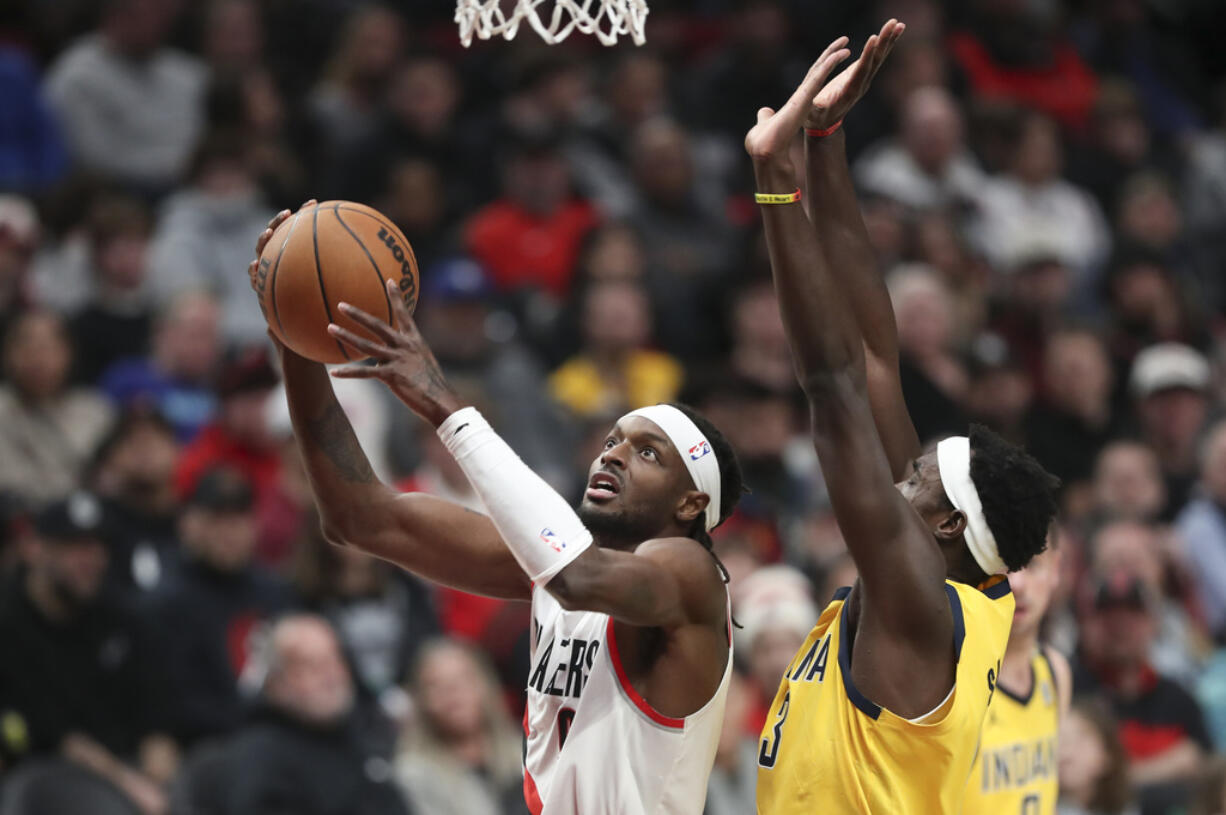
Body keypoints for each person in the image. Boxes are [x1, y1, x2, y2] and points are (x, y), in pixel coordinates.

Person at [250, 207, 743, 815]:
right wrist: (297, 332)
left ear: (691, 502)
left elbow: (578, 575)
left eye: (647, 453)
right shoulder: (554, 566)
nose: (613, 455)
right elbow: (360, 517)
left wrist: (447, 408)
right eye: (613, 439)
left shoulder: (690, 575)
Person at [745, 22, 1059, 812]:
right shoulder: (955, 590)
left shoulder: (920, 607)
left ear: (947, 523)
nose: (902, 471)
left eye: (917, 476)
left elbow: (833, 384)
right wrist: (826, 140)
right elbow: (876, 357)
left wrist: (777, 188)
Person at [0, 492, 173, 815]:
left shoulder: (118, 616)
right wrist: (129, 784)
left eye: (97, 547)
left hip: (129, 768)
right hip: (45, 779)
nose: (91, 559)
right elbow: (55, 737)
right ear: (35, 549)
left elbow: (154, 704)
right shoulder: (9, 623)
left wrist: (158, 752)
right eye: (74, 546)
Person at [209, 615, 410, 815]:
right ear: (275, 681)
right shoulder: (258, 757)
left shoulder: (359, 737)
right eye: (310, 665)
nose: (330, 675)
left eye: (335, 659)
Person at [146, 467, 290, 746]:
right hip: (206, 746)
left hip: (278, 737)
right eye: (217, 520)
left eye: (239, 519)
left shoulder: (276, 592)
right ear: (188, 524)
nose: (229, 533)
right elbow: (171, 702)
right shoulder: (165, 604)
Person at [1074, 571, 1211, 812]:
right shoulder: (1072, 692)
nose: (1120, 627)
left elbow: (1204, 767)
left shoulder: (1178, 698)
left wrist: (1117, 773)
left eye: (1132, 615)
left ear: (1153, 623)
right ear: (1089, 625)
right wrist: (1169, 765)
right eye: (1109, 616)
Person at [964, 528, 1072, 814]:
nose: (1017, 583)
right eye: (1002, 567)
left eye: (1033, 564)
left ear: (1056, 569)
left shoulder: (1056, 671)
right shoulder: (952, 677)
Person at [396, 639, 529, 815]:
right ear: (420, 700)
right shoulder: (413, 775)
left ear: (486, 684)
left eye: (463, 678)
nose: (452, 692)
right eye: (435, 685)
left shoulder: (526, 751)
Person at [0, 310, 114, 506]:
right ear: (6, 353)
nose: (37, 357)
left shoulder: (96, 412)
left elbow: (111, 482)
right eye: (25, 345)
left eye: (48, 347)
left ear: (69, 353)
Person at [1057, 699, 1138, 815]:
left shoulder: (1124, 806)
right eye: (1059, 740)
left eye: (1079, 741)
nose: (1065, 752)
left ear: (1108, 756)